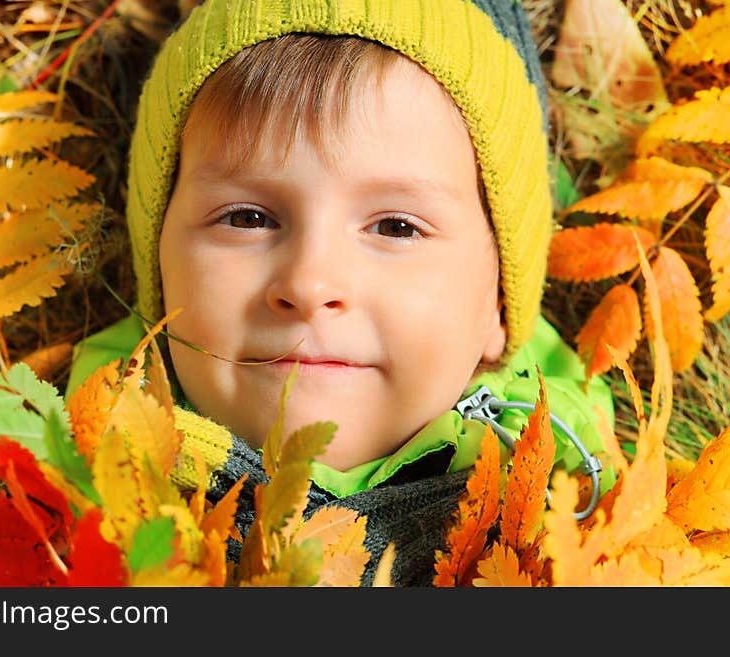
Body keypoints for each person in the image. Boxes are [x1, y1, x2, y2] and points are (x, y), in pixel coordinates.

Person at [66, 0, 616, 586]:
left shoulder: (572, 512)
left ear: (499, 305)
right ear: (157, 266)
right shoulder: (70, 481)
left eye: (396, 227)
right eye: (247, 218)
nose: (309, 283)